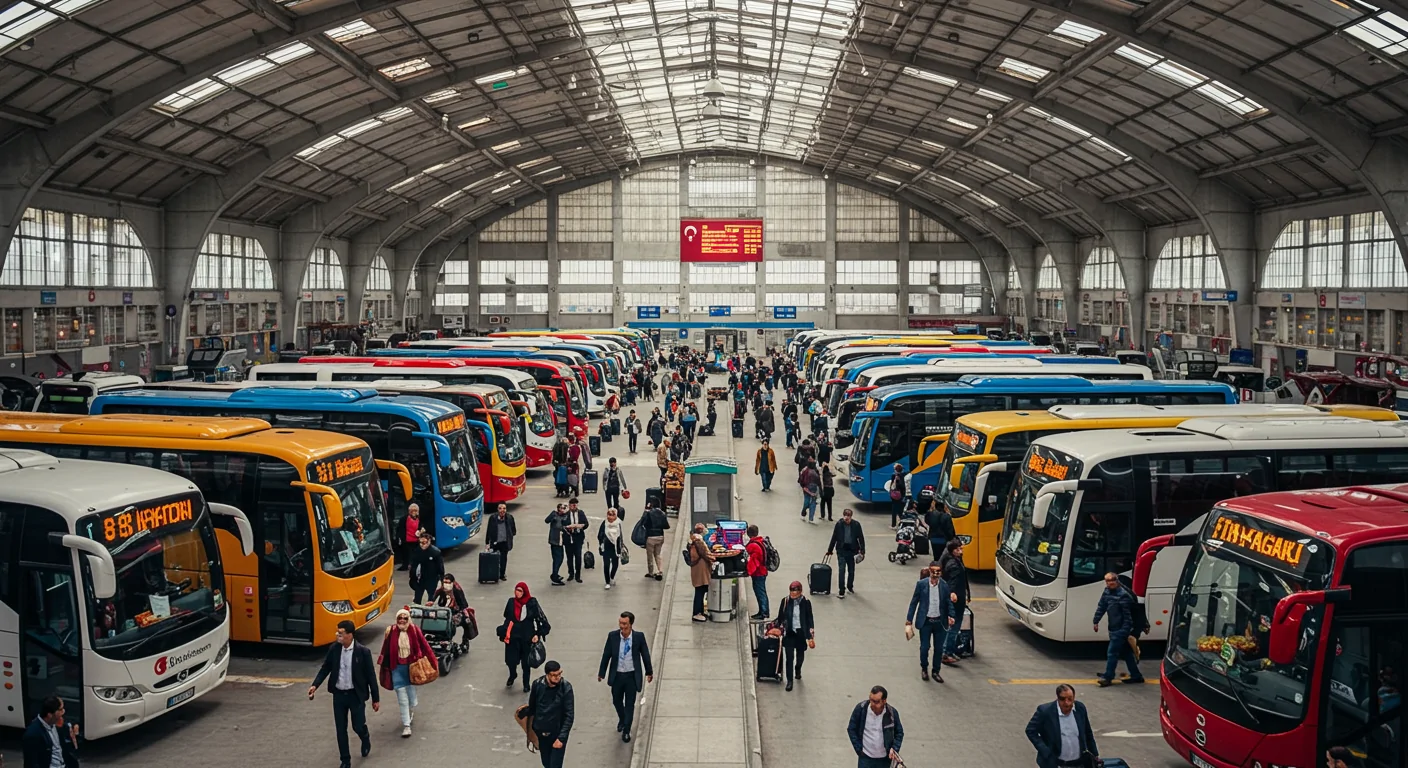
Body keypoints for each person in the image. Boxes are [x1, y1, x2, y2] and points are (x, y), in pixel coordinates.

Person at [309, 619, 380, 768]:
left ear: (350, 635)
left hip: (356, 695)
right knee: (341, 729)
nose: (338, 635)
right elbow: (325, 668)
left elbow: (371, 676)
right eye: (337, 632)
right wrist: (315, 685)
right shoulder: (334, 649)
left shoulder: (363, 652)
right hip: (339, 695)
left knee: (357, 725)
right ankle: (345, 760)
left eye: (341, 633)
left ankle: (365, 737)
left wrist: (375, 698)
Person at [376, 608, 436, 738]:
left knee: (410, 691)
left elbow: (425, 646)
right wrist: (383, 666)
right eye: (399, 618)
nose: (402, 620)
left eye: (405, 618)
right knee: (402, 697)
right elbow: (385, 649)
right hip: (396, 668)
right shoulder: (390, 631)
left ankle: (412, 707)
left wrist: (433, 662)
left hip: (411, 668)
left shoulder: (414, 630)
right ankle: (406, 725)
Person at [597, 611, 654, 743]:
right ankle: (622, 718)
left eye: (625, 624)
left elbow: (645, 654)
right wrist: (602, 672)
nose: (622, 626)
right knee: (616, 701)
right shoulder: (613, 636)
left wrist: (649, 672)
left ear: (631, 624)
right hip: (617, 676)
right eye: (620, 623)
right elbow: (607, 655)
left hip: (631, 676)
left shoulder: (639, 637)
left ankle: (627, 729)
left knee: (629, 704)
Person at [1025, 684, 1099, 768]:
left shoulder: (1080, 708)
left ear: (1074, 697)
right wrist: (1045, 751)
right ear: (1057, 698)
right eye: (1062, 699)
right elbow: (1030, 730)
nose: (1066, 703)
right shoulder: (1045, 711)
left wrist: (1094, 754)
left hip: (1079, 763)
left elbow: (1087, 731)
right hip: (1056, 764)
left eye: (1070, 699)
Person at [904, 561, 954, 683]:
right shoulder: (921, 585)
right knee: (924, 647)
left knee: (938, 649)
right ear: (930, 571)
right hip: (925, 622)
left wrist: (951, 615)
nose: (936, 574)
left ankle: (936, 671)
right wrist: (909, 620)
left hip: (939, 622)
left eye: (938, 571)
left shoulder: (944, 585)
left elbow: (948, 602)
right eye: (934, 571)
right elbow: (914, 602)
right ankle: (924, 668)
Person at [1093, 572, 1144, 686]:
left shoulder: (1123, 595)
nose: (1110, 583)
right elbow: (1102, 606)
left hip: (1120, 630)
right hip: (1113, 627)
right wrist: (1096, 621)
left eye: (1113, 580)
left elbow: (1128, 617)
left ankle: (1108, 677)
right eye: (1108, 581)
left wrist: (1123, 631)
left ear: (1117, 581)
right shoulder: (1107, 592)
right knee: (1126, 653)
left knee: (1112, 653)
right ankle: (1136, 676)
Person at [501, 582, 550, 693]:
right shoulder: (511, 602)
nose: (517, 593)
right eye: (516, 590)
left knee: (526, 663)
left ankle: (526, 683)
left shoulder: (531, 603)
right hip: (513, 637)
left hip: (527, 638)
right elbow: (507, 617)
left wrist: (537, 634)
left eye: (520, 591)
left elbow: (540, 620)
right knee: (511, 661)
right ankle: (512, 675)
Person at [528, 661, 575, 768]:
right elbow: (532, 708)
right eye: (554, 675)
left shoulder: (565, 688)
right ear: (547, 675)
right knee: (546, 763)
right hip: (542, 734)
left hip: (557, 734)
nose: (558, 677)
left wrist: (561, 738)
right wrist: (532, 731)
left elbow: (569, 715)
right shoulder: (537, 685)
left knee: (555, 765)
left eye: (559, 674)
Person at [846, 685, 904, 768]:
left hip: (884, 760)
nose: (872, 704)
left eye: (876, 702)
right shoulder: (861, 709)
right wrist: (858, 749)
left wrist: (894, 749)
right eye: (871, 700)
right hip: (865, 758)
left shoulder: (892, 714)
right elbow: (851, 728)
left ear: (884, 701)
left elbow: (899, 732)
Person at [772, 581, 815, 692]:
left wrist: (810, 635)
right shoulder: (785, 601)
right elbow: (780, 617)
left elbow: (809, 619)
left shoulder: (806, 603)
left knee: (800, 655)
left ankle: (798, 668)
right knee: (789, 657)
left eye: (795, 591)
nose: (793, 594)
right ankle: (789, 681)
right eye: (791, 591)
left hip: (801, 632)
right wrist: (779, 628)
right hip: (789, 632)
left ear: (800, 592)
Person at [22, 696, 79, 768]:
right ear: (49, 715)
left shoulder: (57, 723)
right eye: (60, 710)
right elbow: (31, 763)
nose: (63, 712)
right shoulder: (33, 734)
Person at [938, 540, 970, 665]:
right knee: (954, 626)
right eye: (958, 549)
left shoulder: (948, 560)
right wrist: (953, 593)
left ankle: (947, 651)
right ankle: (946, 652)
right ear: (952, 550)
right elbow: (953, 583)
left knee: (951, 625)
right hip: (956, 600)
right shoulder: (954, 565)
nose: (961, 551)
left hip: (955, 597)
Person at [826, 508, 865, 599]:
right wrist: (830, 550)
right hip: (841, 550)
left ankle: (850, 586)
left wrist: (862, 551)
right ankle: (841, 590)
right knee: (841, 570)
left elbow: (861, 538)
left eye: (848, 516)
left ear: (851, 517)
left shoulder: (856, 525)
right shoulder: (839, 525)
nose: (847, 518)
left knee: (851, 571)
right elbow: (834, 537)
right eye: (845, 515)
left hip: (852, 551)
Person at [432, 574, 474, 653]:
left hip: (456, 612)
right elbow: (433, 598)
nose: (446, 584)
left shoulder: (457, 591)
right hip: (443, 612)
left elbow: (463, 605)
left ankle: (465, 641)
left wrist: (458, 611)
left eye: (448, 582)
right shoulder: (441, 590)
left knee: (466, 622)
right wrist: (431, 602)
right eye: (444, 582)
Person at [687, 523, 716, 622]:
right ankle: (697, 613)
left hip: (698, 569)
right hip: (700, 569)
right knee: (700, 591)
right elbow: (705, 553)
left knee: (701, 590)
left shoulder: (693, 540)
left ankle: (700, 611)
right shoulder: (699, 541)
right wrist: (713, 558)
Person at [409, 529, 444, 604]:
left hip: (432, 579)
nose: (422, 544)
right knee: (417, 597)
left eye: (424, 542)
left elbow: (440, 567)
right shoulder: (417, 551)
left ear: (429, 541)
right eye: (420, 542)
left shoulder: (435, 552)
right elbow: (413, 564)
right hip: (420, 578)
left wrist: (442, 579)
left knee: (431, 598)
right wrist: (412, 577)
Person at [597, 507, 627, 589]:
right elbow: (599, 535)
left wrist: (621, 546)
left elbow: (621, 536)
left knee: (615, 564)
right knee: (606, 565)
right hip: (606, 547)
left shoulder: (618, 524)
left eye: (613, 515)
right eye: (609, 515)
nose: (610, 517)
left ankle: (612, 577)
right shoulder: (604, 523)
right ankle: (607, 581)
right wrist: (602, 542)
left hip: (615, 548)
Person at [744, 524, 770, 620]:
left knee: (760, 592)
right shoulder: (760, 541)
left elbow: (754, 561)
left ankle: (763, 612)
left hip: (758, 573)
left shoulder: (753, 546)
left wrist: (747, 571)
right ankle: (763, 611)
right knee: (761, 592)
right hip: (762, 571)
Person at [486, 502, 516, 581]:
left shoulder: (510, 518)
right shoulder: (493, 518)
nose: (502, 510)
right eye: (500, 508)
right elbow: (489, 531)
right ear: (497, 509)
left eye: (504, 508)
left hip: (505, 543)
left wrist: (509, 536)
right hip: (495, 542)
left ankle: (502, 574)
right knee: (494, 559)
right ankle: (494, 574)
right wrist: (487, 543)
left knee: (503, 559)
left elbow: (513, 530)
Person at [642, 502, 670, 581]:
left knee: (650, 555)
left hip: (650, 536)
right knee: (657, 554)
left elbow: (643, 522)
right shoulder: (662, 514)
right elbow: (667, 526)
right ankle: (660, 570)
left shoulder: (649, 513)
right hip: (660, 536)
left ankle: (651, 572)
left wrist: (646, 511)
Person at [545, 504, 570, 586]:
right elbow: (547, 520)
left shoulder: (566, 515)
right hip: (555, 540)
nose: (563, 509)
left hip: (560, 540)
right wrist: (553, 514)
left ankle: (555, 573)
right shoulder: (555, 515)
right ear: (558, 509)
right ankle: (554, 576)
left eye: (565, 508)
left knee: (559, 558)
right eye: (562, 508)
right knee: (558, 558)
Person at [395, 502, 422, 570]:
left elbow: (421, 527)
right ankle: (405, 565)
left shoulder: (420, 518)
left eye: (415, 510)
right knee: (406, 554)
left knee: (416, 554)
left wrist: (420, 531)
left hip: (416, 540)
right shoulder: (404, 519)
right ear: (409, 511)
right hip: (406, 539)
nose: (413, 512)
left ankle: (415, 565)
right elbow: (399, 528)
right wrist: (399, 537)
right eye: (412, 510)